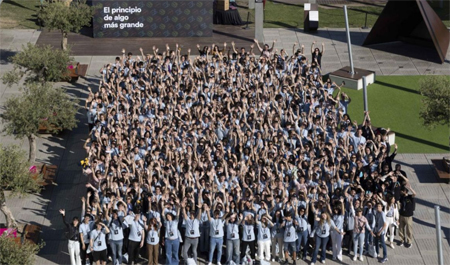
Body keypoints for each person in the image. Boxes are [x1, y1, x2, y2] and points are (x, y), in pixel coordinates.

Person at [181, 199, 201, 264]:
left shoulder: (197, 220)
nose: (191, 215)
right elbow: (184, 214)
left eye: (192, 214)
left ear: (194, 215)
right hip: (188, 238)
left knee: (194, 251)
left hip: (195, 239)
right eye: (190, 214)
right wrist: (183, 207)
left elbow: (199, 215)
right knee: (184, 251)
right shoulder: (188, 220)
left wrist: (200, 209)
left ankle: (195, 262)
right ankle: (186, 261)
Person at [398, 182, 416, 248]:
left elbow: (414, 194)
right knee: (401, 229)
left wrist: (410, 188)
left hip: (408, 216)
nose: (401, 192)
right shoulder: (401, 197)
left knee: (409, 230)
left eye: (402, 191)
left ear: (405, 191)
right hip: (402, 215)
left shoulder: (410, 197)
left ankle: (409, 241)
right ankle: (402, 240)